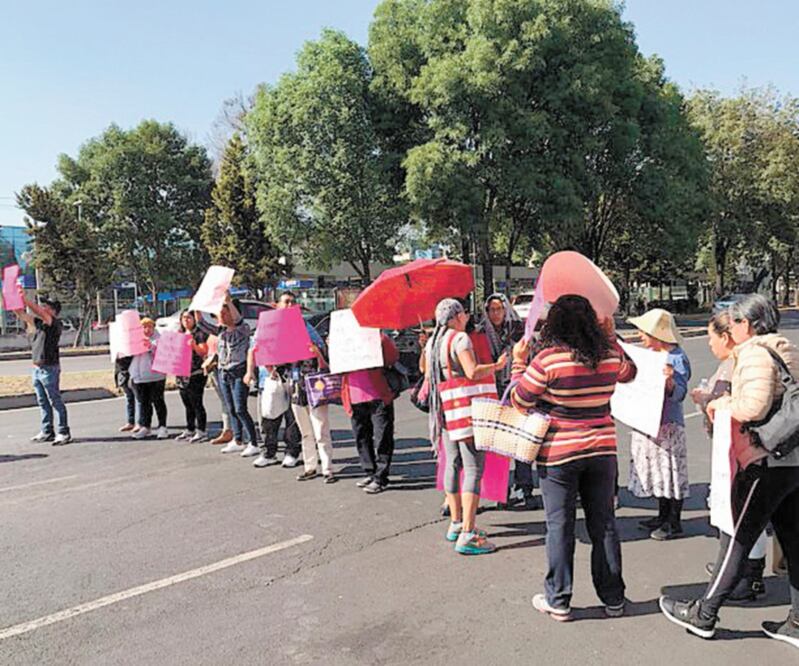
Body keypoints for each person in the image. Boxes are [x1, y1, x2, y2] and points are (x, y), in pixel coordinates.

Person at [660, 294, 799, 648]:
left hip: (764, 458)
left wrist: (720, 403)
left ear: (745, 325)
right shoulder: (786, 349)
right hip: (791, 458)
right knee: (794, 539)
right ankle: (797, 623)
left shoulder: (754, 352)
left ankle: (705, 614)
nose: (730, 327)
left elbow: (752, 407)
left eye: (734, 321)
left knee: (738, 536)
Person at [510, 295, 636, 622]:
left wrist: (518, 363)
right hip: (602, 451)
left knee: (560, 526)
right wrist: (610, 335)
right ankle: (613, 598)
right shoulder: (608, 354)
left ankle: (559, 599)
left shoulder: (549, 360)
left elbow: (520, 401)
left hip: (559, 454)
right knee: (605, 525)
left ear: (556, 323)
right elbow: (630, 372)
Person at [691, 311, 768, 602]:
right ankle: (739, 573)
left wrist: (706, 401)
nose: (710, 344)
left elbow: (737, 410)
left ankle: (743, 579)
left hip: (744, 453)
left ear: (728, 336)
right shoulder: (746, 360)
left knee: (739, 519)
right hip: (753, 451)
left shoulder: (737, 365)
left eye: (712, 337)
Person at [422, 298, 507, 555]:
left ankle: (456, 523)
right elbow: (471, 372)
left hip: (446, 410)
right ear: (456, 316)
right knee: (473, 468)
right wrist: (497, 366)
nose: (467, 316)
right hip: (466, 410)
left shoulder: (433, 342)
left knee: (453, 462)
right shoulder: (460, 339)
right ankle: (468, 533)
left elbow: (426, 374)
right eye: (463, 313)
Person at [627, 308, 691, 541]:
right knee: (659, 473)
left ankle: (674, 520)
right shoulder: (648, 355)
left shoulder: (675, 358)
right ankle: (662, 514)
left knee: (671, 471)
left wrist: (670, 381)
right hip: (649, 421)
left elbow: (680, 392)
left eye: (644, 333)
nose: (641, 337)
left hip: (668, 424)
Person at [477, 293, 539, 509]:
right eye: (491, 309)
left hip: (518, 390)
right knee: (497, 444)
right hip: (492, 392)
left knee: (521, 442)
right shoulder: (480, 332)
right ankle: (499, 492)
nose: (495, 313)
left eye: (498, 309)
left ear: (506, 309)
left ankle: (525, 488)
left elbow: (533, 353)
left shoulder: (519, 330)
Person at [243, 291, 303, 469]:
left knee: (292, 419)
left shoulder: (301, 324)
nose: (290, 305)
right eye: (286, 302)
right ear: (277, 305)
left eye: (293, 302)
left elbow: (315, 346)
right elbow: (253, 349)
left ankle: (292, 452)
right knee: (268, 417)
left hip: (292, 378)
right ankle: (268, 453)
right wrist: (249, 372)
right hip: (267, 378)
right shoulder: (266, 325)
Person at [341, 332, 400, 494]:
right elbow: (336, 365)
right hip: (354, 395)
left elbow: (392, 357)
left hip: (378, 394)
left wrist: (380, 341)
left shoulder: (378, 337)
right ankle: (370, 471)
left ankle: (381, 477)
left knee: (382, 436)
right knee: (361, 436)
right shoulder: (343, 339)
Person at [14, 289, 71, 445]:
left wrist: (25, 300)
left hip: (49, 368)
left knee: (55, 401)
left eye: (47, 306)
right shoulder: (38, 323)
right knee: (42, 402)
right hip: (37, 368)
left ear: (53, 311)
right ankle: (47, 431)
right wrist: (11, 298)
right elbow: (21, 314)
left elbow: (38, 311)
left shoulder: (54, 323)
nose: (43, 307)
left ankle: (63, 431)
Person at [208, 296, 259, 455]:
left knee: (240, 408)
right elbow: (202, 325)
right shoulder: (220, 331)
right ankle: (237, 440)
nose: (221, 317)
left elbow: (237, 319)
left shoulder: (242, 328)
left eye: (225, 313)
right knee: (231, 408)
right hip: (224, 372)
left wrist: (228, 301)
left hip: (239, 371)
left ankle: (254, 442)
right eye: (219, 314)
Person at [290, 321, 337, 484]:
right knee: (305, 432)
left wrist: (318, 354)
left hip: (317, 391)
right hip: (297, 391)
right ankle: (310, 466)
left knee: (321, 431)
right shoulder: (288, 349)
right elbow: (281, 368)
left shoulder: (317, 345)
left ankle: (327, 468)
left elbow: (328, 367)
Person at [130, 317, 169, 440]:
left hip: (156, 376)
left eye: (149, 327)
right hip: (139, 376)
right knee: (144, 403)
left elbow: (165, 352)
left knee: (158, 401)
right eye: (143, 327)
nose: (146, 330)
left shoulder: (159, 339)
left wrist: (150, 347)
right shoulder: (135, 340)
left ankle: (162, 426)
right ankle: (145, 426)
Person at [174, 310, 209, 443]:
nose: (186, 320)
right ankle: (190, 428)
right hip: (182, 373)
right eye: (183, 318)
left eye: (189, 317)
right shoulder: (179, 334)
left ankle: (201, 430)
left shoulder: (199, 333)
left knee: (196, 402)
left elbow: (203, 351)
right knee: (186, 402)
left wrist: (193, 345)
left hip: (195, 373)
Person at [202, 335, 234, 445]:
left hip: (225, 369)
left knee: (230, 402)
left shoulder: (228, 331)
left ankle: (232, 431)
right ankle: (228, 430)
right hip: (213, 369)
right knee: (225, 402)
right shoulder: (213, 332)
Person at [114, 354, 138, 433]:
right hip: (122, 370)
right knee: (129, 397)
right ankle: (130, 422)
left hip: (133, 369)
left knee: (139, 398)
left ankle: (141, 422)